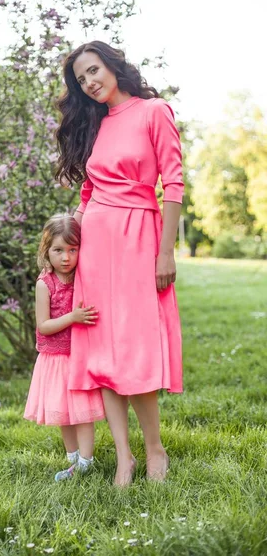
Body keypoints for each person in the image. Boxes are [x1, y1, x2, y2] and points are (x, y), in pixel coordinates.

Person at [55, 41, 184, 486]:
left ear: (113, 65)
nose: (90, 82)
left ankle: (154, 450)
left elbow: (175, 183)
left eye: (94, 71)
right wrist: (70, 232)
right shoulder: (96, 125)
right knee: (102, 353)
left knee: (134, 349)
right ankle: (124, 458)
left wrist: (165, 251)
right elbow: (90, 190)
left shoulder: (154, 111)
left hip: (138, 240)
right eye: (82, 79)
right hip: (95, 244)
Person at [24, 214, 105, 481]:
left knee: (82, 413)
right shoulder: (44, 284)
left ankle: (86, 461)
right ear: (46, 251)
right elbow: (43, 325)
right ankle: (73, 458)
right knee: (64, 413)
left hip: (80, 356)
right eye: (59, 250)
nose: (66, 257)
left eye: (73, 250)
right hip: (56, 357)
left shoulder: (83, 277)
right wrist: (71, 317)